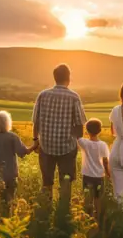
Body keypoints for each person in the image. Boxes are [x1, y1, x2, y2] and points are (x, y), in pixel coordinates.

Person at [32, 64, 87, 200]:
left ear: (54, 78)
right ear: (69, 78)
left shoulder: (43, 95)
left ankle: (46, 208)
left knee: (46, 183)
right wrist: (78, 142)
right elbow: (80, 124)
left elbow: (36, 121)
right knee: (66, 181)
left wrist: (35, 140)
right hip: (67, 147)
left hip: (46, 146)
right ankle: (64, 209)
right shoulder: (74, 97)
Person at [0, 110, 37, 203]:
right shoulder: (12, 137)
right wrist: (35, 146)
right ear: (7, 123)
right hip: (10, 176)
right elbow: (23, 152)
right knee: (10, 201)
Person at [77, 118, 110, 219]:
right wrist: (108, 173)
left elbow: (77, 136)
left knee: (87, 198)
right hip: (99, 176)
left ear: (87, 131)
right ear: (100, 131)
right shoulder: (103, 145)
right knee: (98, 198)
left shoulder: (84, 143)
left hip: (87, 176)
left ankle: (87, 217)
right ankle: (98, 217)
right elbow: (105, 161)